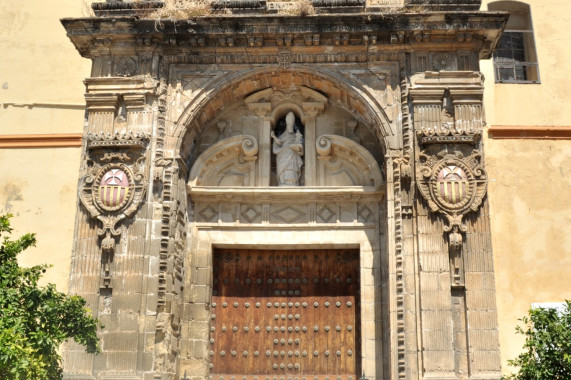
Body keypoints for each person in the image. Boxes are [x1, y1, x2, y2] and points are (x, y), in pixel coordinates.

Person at [271, 112, 304, 186]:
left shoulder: (295, 136)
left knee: (292, 169)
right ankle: (283, 181)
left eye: (292, 125)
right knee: (285, 169)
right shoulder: (283, 135)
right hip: (284, 155)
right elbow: (278, 143)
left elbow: (301, 151)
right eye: (289, 125)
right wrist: (274, 137)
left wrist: (296, 148)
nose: (290, 127)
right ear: (286, 125)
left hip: (293, 155)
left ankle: (294, 181)